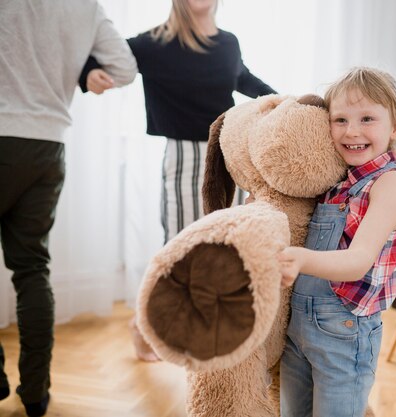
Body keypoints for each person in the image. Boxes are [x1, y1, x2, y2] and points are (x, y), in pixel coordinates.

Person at [81, 0, 277, 362]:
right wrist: (89, 73)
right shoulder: (155, 43)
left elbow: (244, 79)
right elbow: (99, 53)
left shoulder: (228, 43)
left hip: (226, 153)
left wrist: (284, 102)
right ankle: (142, 327)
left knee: (225, 248)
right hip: (183, 159)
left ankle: (214, 333)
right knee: (178, 249)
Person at [0, 1, 137, 415]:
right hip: (48, 147)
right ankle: (36, 392)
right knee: (32, 269)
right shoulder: (84, 7)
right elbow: (126, 68)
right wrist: (82, 68)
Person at [277, 67, 396, 417]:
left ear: (394, 126)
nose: (352, 131)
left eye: (367, 118)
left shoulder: (391, 183)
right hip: (300, 329)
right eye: (340, 120)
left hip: (345, 332)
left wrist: (299, 259)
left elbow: (358, 260)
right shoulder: (337, 180)